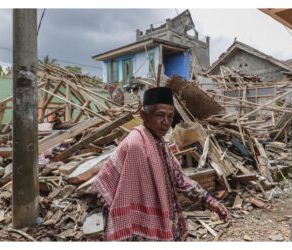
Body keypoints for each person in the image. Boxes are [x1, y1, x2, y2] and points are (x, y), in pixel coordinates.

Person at [92, 87, 230, 241]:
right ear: (144, 115)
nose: (166, 122)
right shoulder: (137, 144)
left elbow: (178, 178)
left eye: (170, 117)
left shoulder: (159, 141)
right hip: (141, 231)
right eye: (160, 115)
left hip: (160, 222)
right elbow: (130, 198)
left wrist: (208, 200)